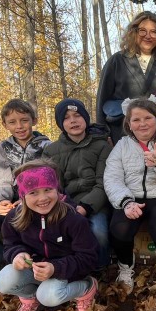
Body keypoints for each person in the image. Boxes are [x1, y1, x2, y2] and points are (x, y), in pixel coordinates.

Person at [0, 162, 99, 311]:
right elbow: (10, 244)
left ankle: (86, 287)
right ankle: (30, 298)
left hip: (66, 271)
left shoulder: (73, 219)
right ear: (23, 196)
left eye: (48, 190)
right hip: (35, 269)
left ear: (56, 190)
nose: (42, 198)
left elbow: (89, 258)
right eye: (33, 192)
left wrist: (55, 268)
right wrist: (17, 254)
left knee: (49, 297)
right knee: (3, 281)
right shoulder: (13, 218)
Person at [104, 99, 156, 298]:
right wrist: (126, 202)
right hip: (130, 196)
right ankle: (125, 267)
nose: (143, 124)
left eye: (148, 118)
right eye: (136, 119)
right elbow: (112, 177)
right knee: (119, 230)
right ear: (128, 124)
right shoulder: (122, 146)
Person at [0, 99, 50, 276]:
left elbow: (47, 180)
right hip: (9, 197)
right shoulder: (3, 148)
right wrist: (0, 202)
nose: (19, 126)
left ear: (34, 121)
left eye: (24, 120)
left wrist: (27, 201)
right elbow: (1, 180)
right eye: (12, 122)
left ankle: (33, 263)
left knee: (23, 220)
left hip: (37, 198)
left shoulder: (46, 146)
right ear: (5, 125)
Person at [43, 99, 112, 273]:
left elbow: (104, 182)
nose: (73, 121)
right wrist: (61, 205)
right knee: (56, 232)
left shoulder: (102, 145)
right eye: (66, 118)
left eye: (77, 115)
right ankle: (68, 267)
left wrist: (85, 207)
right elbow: (50, 184)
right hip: (63, 202)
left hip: (95, 203)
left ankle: (100, 268)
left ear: (86, 118)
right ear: (61, 124)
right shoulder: (51, 151)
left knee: (98, 232)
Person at [96, 11, 156, 144]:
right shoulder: (117, 60)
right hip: (120, 135)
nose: (148, 36)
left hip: (153, 138)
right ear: (134, 32)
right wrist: (103, 134)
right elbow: (102, 99)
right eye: (142, 31)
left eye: (153, 32)